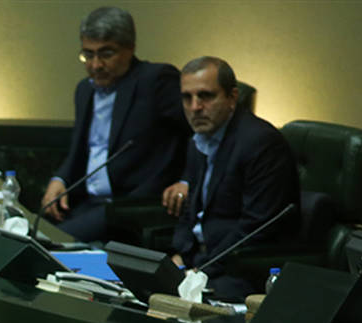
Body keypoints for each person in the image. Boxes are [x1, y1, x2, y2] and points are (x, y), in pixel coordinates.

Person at [40, 6, 187, 242]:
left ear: (130, 49)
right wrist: (60, 179)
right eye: (88, 55)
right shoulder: (84, 90)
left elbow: (198, 135)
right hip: (86, 200)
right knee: (29, 231)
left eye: (106, 54)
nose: (95, 65)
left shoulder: (156, 81)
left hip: (132, 203)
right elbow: (80, 152)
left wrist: (187, 181)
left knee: (55, 242)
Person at [162, 57, 299, 300]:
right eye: (187, 98)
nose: (195, 107)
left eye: (206, 96)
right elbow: (190, 211)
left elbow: (254, 229)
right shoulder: (197, 140)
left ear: (232, 97)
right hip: (201, 262)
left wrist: (200, 271)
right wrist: (179, 257)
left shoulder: (261, 143)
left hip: (240, 270)